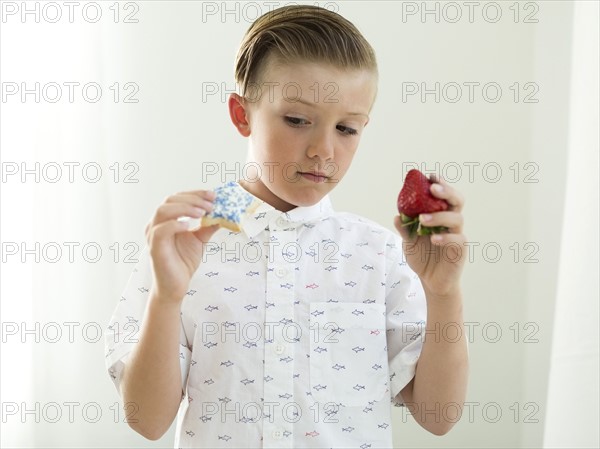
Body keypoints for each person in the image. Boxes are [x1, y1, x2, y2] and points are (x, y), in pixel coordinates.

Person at [105, 5, 468, 448]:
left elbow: (439, 416)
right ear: (242, 115)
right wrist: (167, 297)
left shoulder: (378, 254)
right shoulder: (182, 245)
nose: (323, 150)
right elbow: (147, 421)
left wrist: (444, 292)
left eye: (347, 129)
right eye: (297, 120)